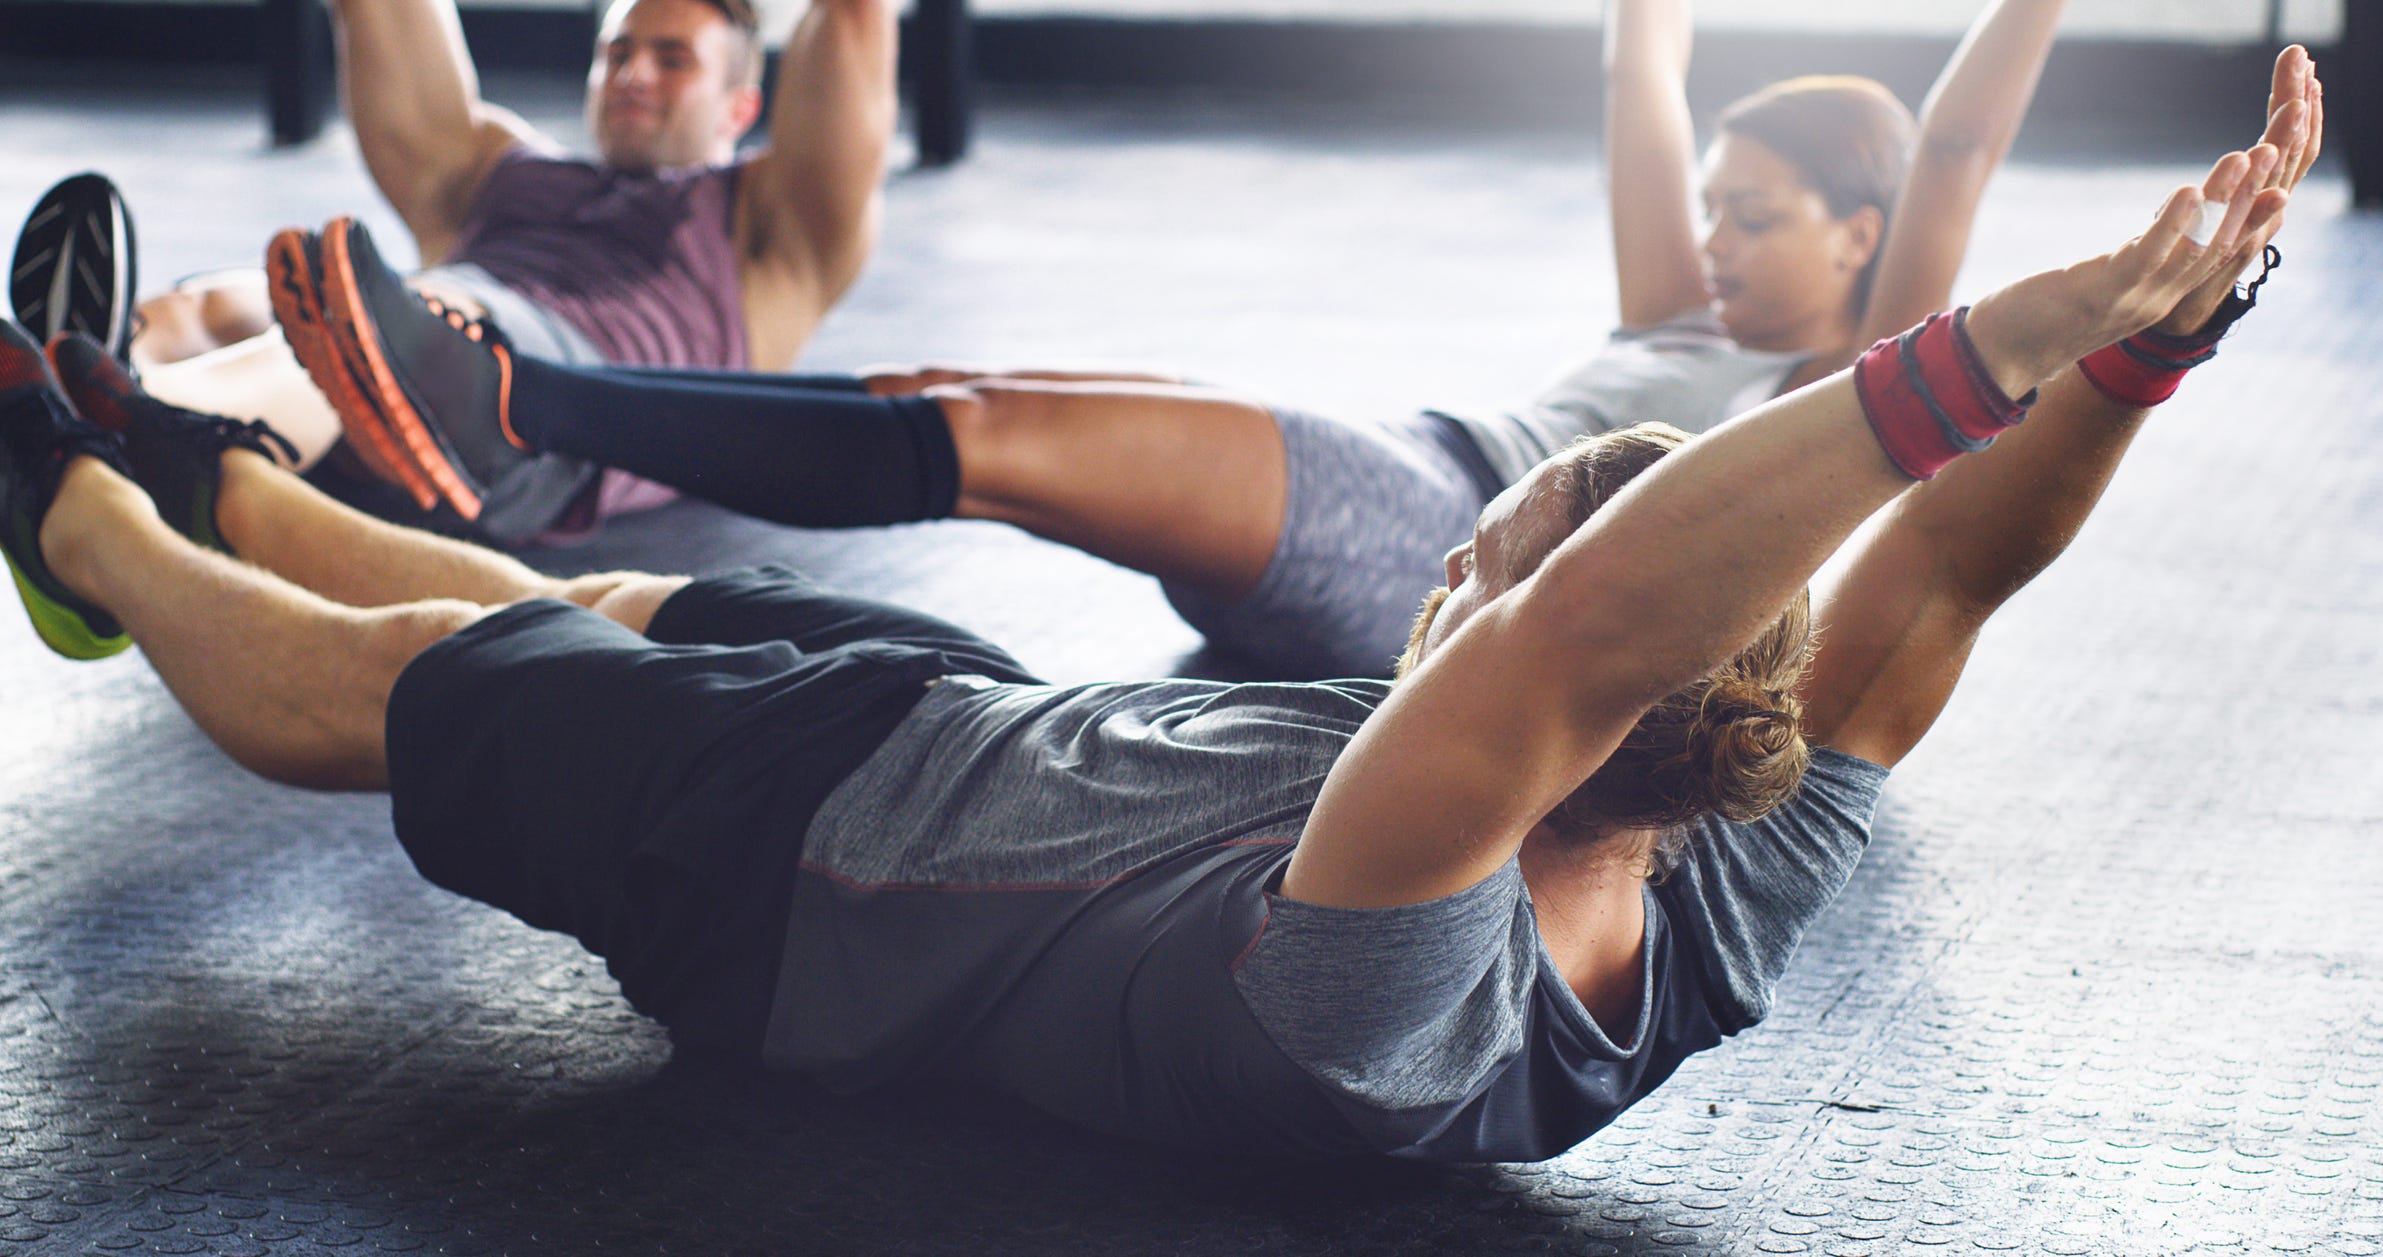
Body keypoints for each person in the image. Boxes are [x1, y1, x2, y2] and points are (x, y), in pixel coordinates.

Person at [0, 97, 2311, 1159]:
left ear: (1532, 667)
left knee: (426, 697)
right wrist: (2139, 356)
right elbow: (1946, 579)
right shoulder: (1716, 870)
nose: (1447, 577)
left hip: (815, 873)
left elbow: (1588, 618)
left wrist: (2005, 325)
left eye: (1476, 564)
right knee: (576, 597)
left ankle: (70, 502)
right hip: (987, 741)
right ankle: (198, 459)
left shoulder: (1403, 985)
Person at [297, 0, 2076, 675]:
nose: (1707, 239)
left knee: (987, 438)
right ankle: (523, 403)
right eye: (1711, 205)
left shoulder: (1848, 384)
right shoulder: (1675, 313)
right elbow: (1641, 53)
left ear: (1864, 239)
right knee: (948, 393)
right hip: (1403, 467)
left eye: (1752, 219)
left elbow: (1966, 145)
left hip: (1442, 566)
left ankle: (511, 398)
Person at [9, 0, 897, 542]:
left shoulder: (767, 229)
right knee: (234, 297)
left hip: (544, 408)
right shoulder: (501, 164)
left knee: (365, 317)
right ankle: (86, 370)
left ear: (743, 105)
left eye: (672, 60)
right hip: (398, 333)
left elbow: (855, 19)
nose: (633, 74)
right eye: (618, 52)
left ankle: (72, 437)